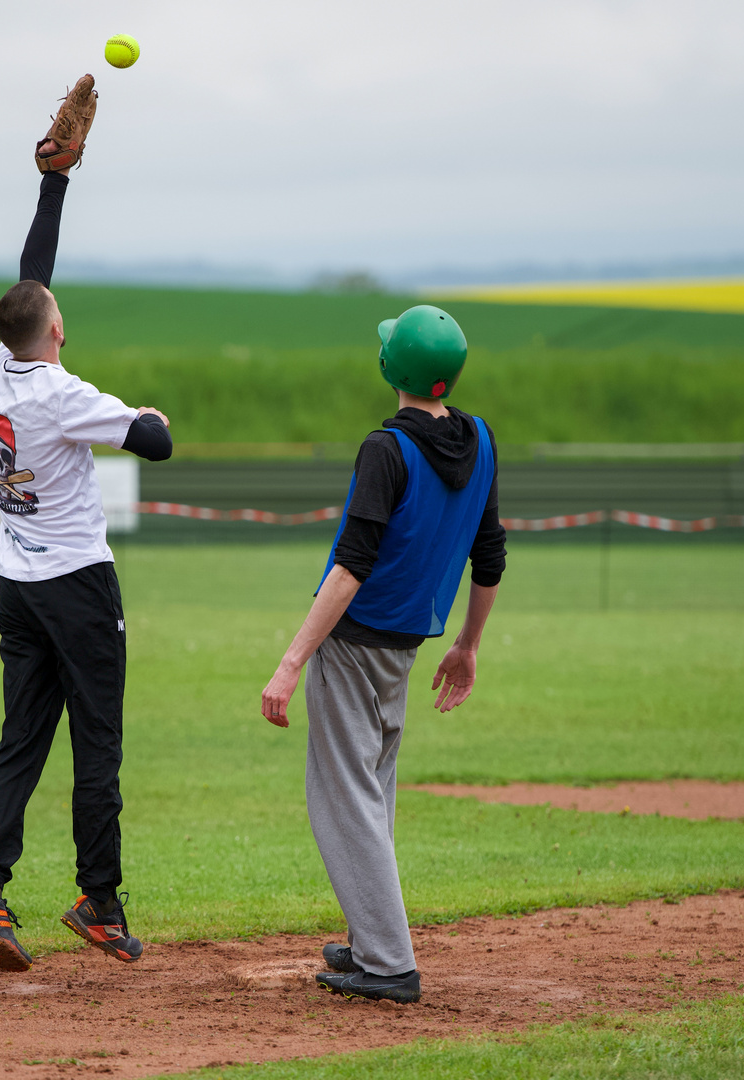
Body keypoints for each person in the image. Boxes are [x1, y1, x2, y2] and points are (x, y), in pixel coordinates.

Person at [0, 75, 173, 973]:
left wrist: (54, 180)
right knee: (99, 745)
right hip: (78, 583)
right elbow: (153, 443)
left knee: (21, 739)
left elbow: (30, 279)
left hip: (17, 582)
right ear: (52, 333)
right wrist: (149, 413)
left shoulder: (2, 370)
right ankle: (99, 902)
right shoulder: (61, 390)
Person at [260, 305, 506, 1004]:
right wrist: (467, 644)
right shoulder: (480, 438)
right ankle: (371, 939)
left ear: (388, 369)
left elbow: (349, 567)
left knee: (343, 798)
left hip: (354, 641)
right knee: (371, 794)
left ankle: (388, 964)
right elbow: (489, 557)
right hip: (404, 646)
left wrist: (290, 661)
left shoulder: (385, 448)